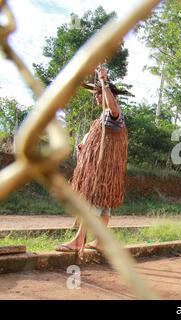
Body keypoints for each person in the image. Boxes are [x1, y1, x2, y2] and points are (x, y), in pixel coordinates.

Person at [56, 65, 129, 253]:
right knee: (104, 209)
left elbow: (113, 108)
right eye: (96, 94)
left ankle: (79, 240)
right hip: (104, 171)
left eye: (100, 94)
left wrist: (104, 80)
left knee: (90, 205)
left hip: (101, 172)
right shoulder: (102, 119)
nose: (97, 97)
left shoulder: (113, 116)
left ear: (109, 94)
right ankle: (100, 241)